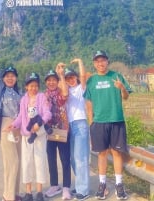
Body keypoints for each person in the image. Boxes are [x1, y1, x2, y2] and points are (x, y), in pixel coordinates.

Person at [83, 50, 131, 200]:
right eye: (97, 61)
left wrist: (122, 88)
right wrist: (91, 125)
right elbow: (89, 106)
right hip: (99, 123)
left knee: (117, 153)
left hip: (116, 120)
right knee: (102, 154)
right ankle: (102, 185)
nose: (100, 63)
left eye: (103, 60)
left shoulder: (116, 76)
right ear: (94, 64)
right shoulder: (91, 81)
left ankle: (119, 184)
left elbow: (126, 97)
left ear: (107, 61)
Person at [7, 72, 52, 201]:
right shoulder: (24, 99)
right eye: (31, 85)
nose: (34, 88)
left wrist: (39, 123)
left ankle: (39, 192)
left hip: (39, 136)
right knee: (26, 163)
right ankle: (28, 192)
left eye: (36, 85)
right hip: (26, 136)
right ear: (26, 86)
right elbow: (21, 117)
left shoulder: (42, 97)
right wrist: (13, 125)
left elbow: (47, 113)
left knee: (40, 162)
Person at [0, 39, 22, 201]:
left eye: (12, 76)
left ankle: (14, 193)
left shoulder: (18, 92)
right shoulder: (1, 88)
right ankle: (8, 196)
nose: (10, 78)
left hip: (18, 127)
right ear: (3, 78)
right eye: (7, 76)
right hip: (6, 125)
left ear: (15, 78)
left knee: (18, 161)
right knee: (11, 161)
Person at [44, 64, 71, 200]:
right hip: (49, 131)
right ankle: (54, 185)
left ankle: (66, 187)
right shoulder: (43, 96)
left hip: (62, 130)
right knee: (51, 159)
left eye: (53, 79)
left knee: (65, 160)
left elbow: (66, 94)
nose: (51, 82)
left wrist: (61, 74)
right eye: (48, 80)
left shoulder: (61, 92)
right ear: (46, 82)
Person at [64, 58, 90, 201]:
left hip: (80, 124)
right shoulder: (65, 91)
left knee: (81, 158)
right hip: (70, 125)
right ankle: (80, 184)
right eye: (68, 78)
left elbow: (83, 76)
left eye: (72, 77)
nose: (70, 80)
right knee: (73, 159)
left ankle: (83, 190)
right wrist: (60, 73)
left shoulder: (81, 89)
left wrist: (80, 62)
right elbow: (59, 82)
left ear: (76, 78)